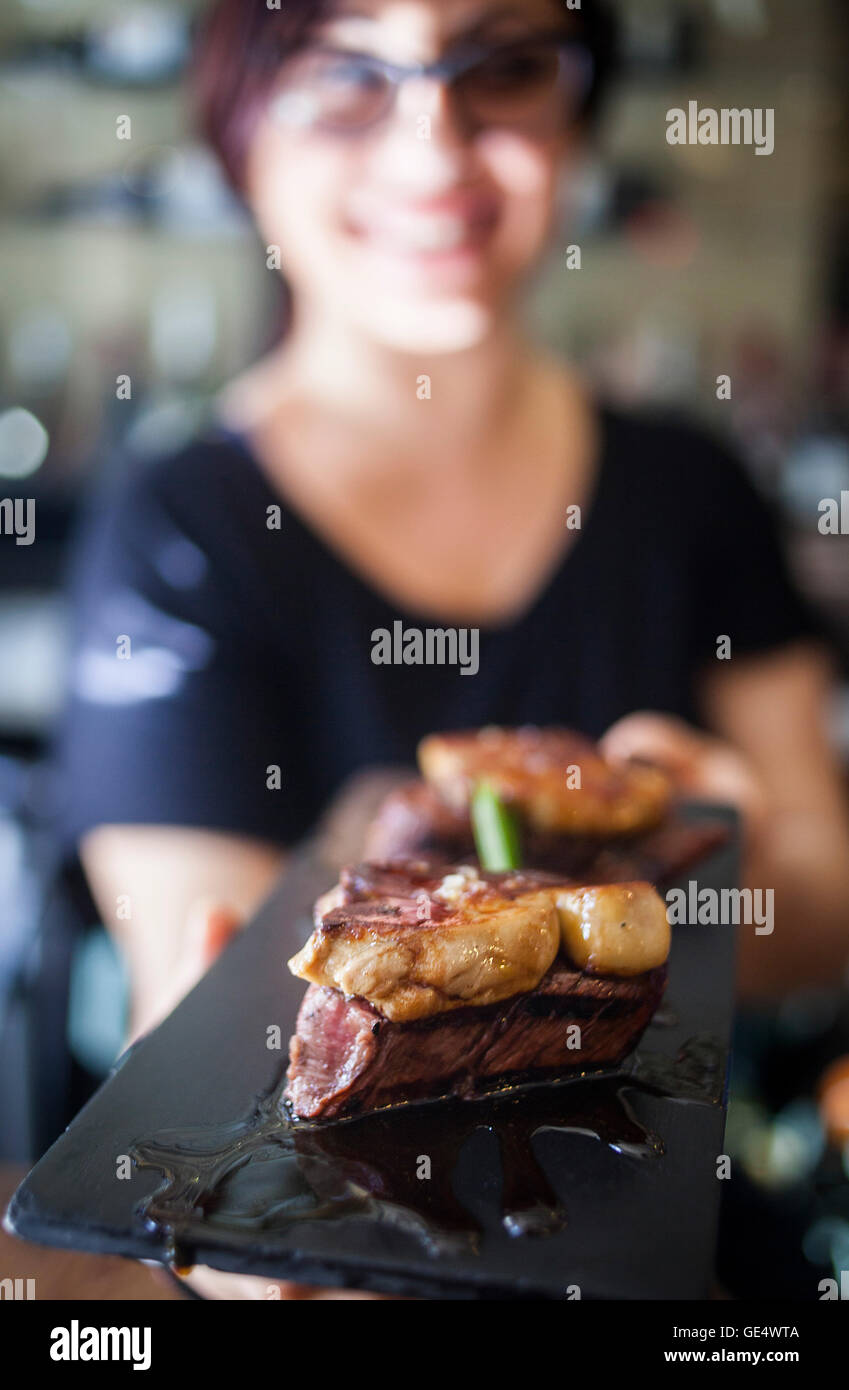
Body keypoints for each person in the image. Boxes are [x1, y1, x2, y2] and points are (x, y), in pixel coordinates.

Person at [56, 0, 849, 1297]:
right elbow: (189, 1009)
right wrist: (248, 1246)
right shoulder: (180, 530)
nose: (432, 146)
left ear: (577, 109)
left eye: (507, 66)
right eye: (343, 74)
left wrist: (715, 883)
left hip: (673, 1244)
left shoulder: (688, 489)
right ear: (242, 128)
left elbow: (821, 917)